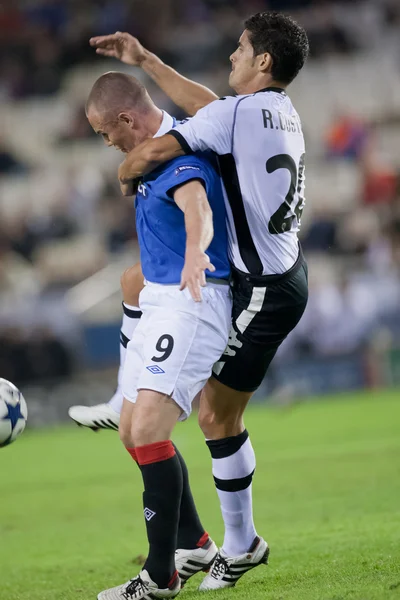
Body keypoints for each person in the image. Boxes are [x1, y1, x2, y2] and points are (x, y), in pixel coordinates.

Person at [73, 10, 309, 591]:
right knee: (134, 285)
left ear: (263, 62)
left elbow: (161, 155)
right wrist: (147, 61)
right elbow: (205, 106)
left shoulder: (226, 120)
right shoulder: (273, 110)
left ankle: (238, 545)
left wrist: (128, 167)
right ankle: (204, 540)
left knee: (213, 417)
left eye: (240, 47)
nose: (231, 55)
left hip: (261, 287)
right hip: (278, 271)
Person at [85, 71, 232, 600]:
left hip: (195, 301)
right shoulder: (147, 156)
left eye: (106, 133)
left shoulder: (176, 156)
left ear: (126, 118)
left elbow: (199, 206)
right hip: (162, 300)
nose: (108, 144)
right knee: (132, 431)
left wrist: (196, 250)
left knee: (147, 430)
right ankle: (193, 543)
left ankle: (160, 576)